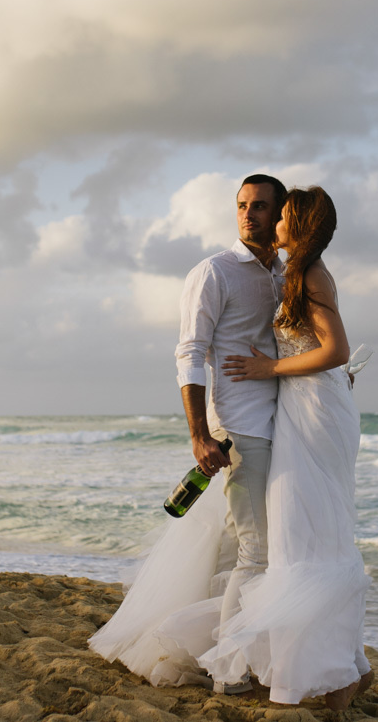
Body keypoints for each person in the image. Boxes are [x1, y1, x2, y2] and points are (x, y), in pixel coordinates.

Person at [89, 174, 287, 692]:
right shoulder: (214, 271)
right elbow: (189, 353)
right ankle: (229, 671)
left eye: (261, 206)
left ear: (281, 213)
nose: (249, 215)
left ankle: (230, 650)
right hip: (238, 426)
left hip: (280, 424)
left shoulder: (285, 273)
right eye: (242, 206)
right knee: (254, 550)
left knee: (245, 546)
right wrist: (199, 435)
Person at [202, 186, 372, 708]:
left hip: (314, 412)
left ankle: (328, 668)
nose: (266, 220)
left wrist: (268, 367)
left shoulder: (310, 273)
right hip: (303, 408)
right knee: (305, 532)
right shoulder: (294, 270)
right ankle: (336, 665)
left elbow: (335, 349)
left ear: (293, 222)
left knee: (308, 533)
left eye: (278, 214)